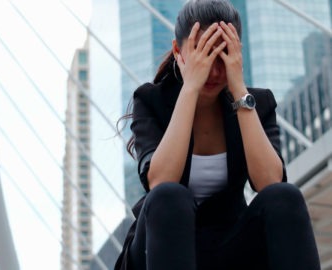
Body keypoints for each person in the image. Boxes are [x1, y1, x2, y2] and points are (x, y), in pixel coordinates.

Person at [115, 0, 321, 269]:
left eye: (223, 55)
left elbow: (271, 182)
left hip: (229, 244)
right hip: (157, 246)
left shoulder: (257, 102)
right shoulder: (151, 100)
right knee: (170, 196)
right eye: (204, 54)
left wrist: (238, 90)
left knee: (286, 197)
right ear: (179, 50)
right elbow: (161, 180)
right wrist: (190, 89)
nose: (213, 70)